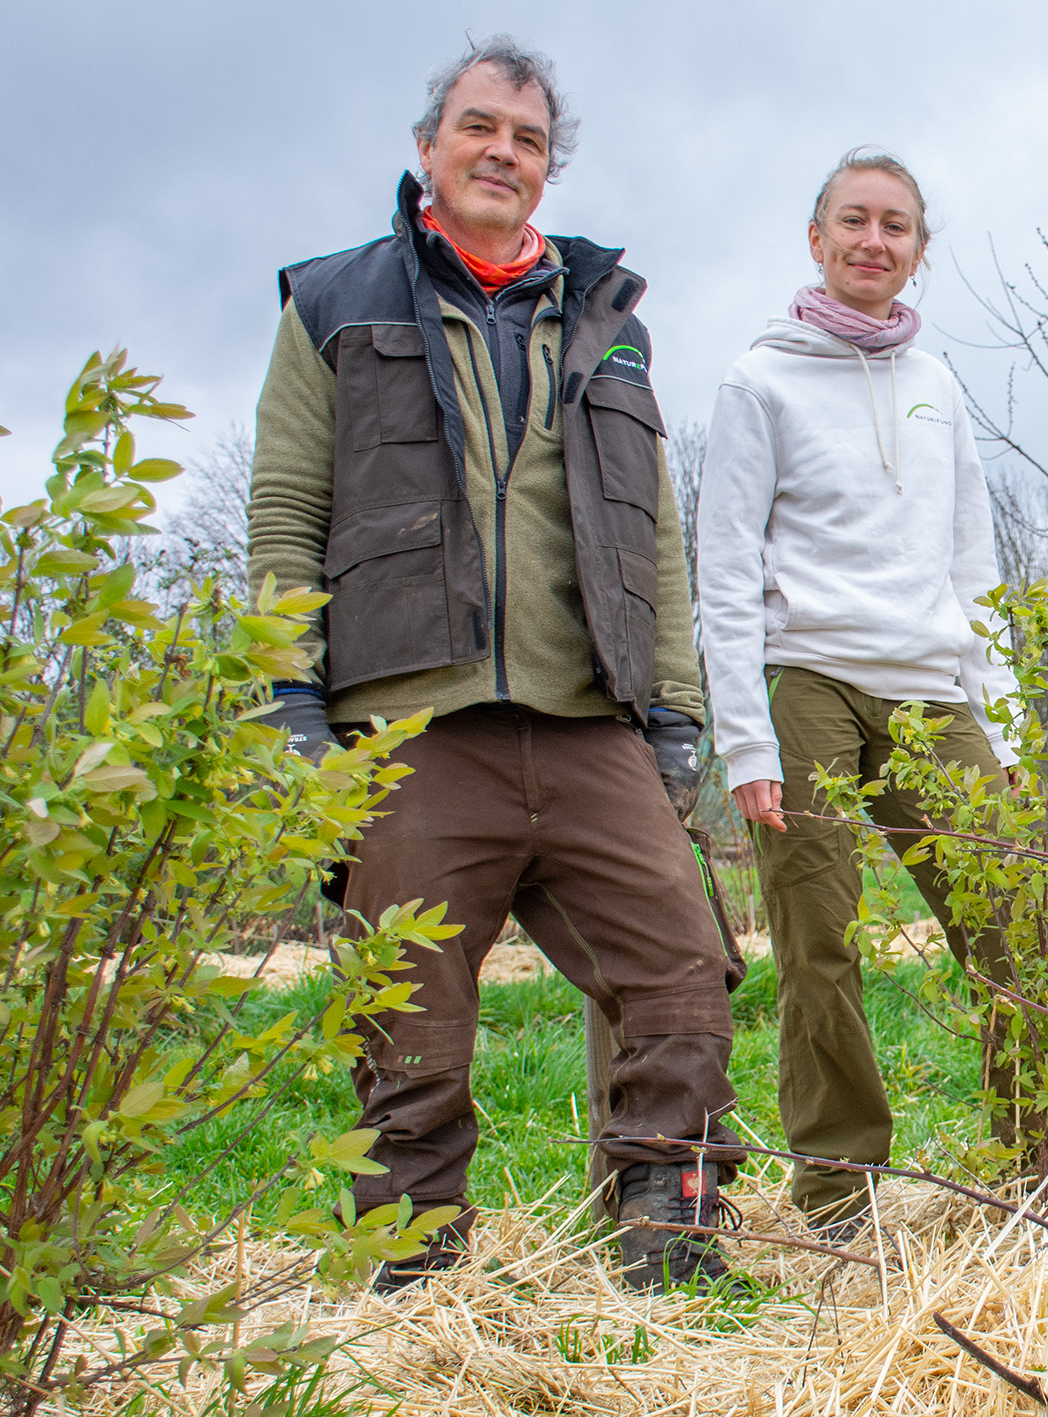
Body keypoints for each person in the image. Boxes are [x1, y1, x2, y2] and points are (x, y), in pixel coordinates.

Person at [245, 36, 746, 1293]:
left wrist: (673, 711)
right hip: (409, 724)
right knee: (407, 1019)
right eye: (478, 128)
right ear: (429, 147)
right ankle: (414, 1277)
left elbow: (654, 532)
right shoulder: (333, 304)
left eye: (527, 139)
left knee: (684, 972)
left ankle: (668, 1241)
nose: (501, 153)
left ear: (546, 168)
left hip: (589, 719)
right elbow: (285, 513)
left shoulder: (608, 323)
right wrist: (291, 702)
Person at [697, 149, 1019, 1236]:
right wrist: (746, 743)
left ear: (919, 251)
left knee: (1007, 920)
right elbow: (724, 568)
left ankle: (1045, 1154)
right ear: (817, 237)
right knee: (819, 944)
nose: (872, 240)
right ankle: (837, 1192)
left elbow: (973, 562)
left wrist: (1006, 725)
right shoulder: (759, 380)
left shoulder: (938, 386)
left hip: (931, 688)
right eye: (853, 220)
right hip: (809, 683)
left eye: (895, 225)